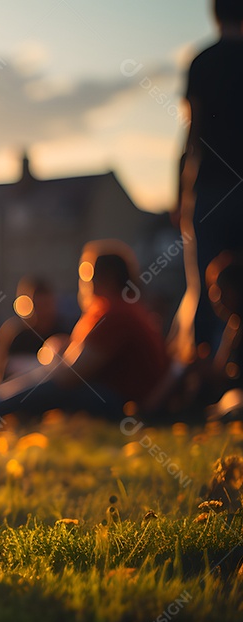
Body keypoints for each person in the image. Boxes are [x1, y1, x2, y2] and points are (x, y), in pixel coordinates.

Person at [0, 241, 169, 419]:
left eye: (85, 276)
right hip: (116, 398)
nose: (82, 285)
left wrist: (49, 362)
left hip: (116, 402)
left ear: (103, 279)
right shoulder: (127, 309)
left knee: (7, 398)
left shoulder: (115, 314)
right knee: (10, 391)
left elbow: (70, 375)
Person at [171, 0, 243, 362]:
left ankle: (201, 369)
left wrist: (180, 194)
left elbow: (192, 134)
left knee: (205, 284)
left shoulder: (203, 63)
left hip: (211, 190)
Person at [0, 277, 69, 386]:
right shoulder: (13, 333)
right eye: (38, 306)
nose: (43, 312)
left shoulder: (62, 334)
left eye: (47, 305)